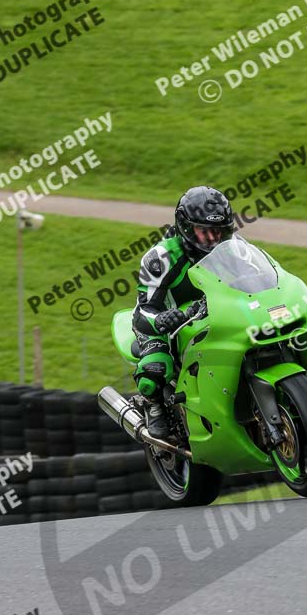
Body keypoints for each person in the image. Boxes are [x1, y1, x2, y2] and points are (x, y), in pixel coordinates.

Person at [132, 185, 234, 438]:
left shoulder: (233, 250)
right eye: (205, 232)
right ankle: (153, 407)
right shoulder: (160, 258)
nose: (213, 239)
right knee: (155, 367)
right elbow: (142, 311)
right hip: (166, 323)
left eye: (218, 232)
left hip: (214, 314)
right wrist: (162, 319)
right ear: (186, 228)